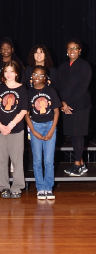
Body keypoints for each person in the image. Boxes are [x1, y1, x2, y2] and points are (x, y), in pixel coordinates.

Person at [0, 61, 28, 198]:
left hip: (16, 129)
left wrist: (11, 125)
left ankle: (17, 187)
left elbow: (24, 110)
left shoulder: (22, 89)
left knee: (17, 160)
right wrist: (0, 125)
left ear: (16, 73)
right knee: (1, 159)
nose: (9, 74)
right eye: (6, 71)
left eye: (12, 71)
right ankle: (4, 187)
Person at [25, 66, 61, 200]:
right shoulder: (28, 92)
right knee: (37, 160)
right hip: (35, 126)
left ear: (45, 78)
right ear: (31, 76)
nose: (37, 78)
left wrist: (52, 130)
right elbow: (27, 114)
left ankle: (48, 187)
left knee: (49, 160)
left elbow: (56, 112)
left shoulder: (51, 90)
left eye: (40, 76)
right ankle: (40, 188)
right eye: (35, 74)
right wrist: (33, 131)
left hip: (50, 125)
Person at [58, 39, 92, 176]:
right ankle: (80, 163)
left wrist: (67, 103)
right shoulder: (62, 67)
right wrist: (62, 103)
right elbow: (58, 87)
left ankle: (78, 164)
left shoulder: (85, 66)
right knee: (73, 135)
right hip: (65, 106)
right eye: (69, 49)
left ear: (80, 50)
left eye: (74, 48)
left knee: (78, 135)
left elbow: (82, 87)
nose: (71, 51)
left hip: (80, 105)